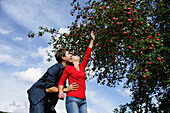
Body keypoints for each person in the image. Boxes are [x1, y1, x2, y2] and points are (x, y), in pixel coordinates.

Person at [27, 48, 79, 113]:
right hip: (39, 95)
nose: (71, 55)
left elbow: (79, 67)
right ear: (63, 57)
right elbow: (48, 89)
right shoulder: (55, 68)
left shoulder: (66, 71)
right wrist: (66, 89)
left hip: (48, 99)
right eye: (68, 54)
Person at [58, 31, 95, 113]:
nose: (76, 55)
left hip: (83, 100)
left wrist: (92, 40)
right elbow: (61, 82)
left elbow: (87, 54)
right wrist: (61, 91)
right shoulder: (68, 68)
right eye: (74, 55)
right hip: (72, 99)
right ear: (71, 60)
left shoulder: (82, 67)